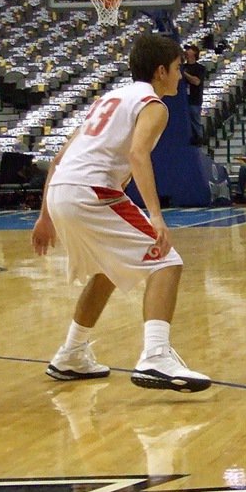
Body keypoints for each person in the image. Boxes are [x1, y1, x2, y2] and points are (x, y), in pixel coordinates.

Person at [31, 33, 210, 393]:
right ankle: (156, 356)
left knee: (106, 271)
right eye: (177, 68)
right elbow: (138, 155)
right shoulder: (153, 104)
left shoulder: (107, 99)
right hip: (91, 191)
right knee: (166, 261)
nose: (180, 75)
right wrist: (156, 217)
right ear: (161, 71)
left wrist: (45, 215)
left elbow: (58, 158)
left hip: (62, 191)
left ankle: (71, 354)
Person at [180, 44, 207, 146]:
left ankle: (199, 141)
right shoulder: (183, 67)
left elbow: (196, 82)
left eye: (189, 50)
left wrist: (184, 74)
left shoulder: (200, 68)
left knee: (195, 122)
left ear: (195, 53)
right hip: (183, 100)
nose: (186, 51)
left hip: (194, 100)